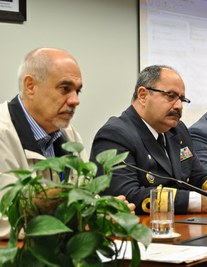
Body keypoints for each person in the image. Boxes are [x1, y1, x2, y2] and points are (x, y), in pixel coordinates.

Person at [0, 48, 134, 238]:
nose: (75, 101)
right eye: (65, 89)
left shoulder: (68, 135)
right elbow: (6, 219)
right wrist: (91, 220)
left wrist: (106, 208)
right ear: (30, 86)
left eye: (77, 91)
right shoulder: (3, 132)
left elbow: (82, 197)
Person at [90, 65, 207, 215]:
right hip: (143, 230)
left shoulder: (178, 130)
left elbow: (197, 174)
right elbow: (128, 194)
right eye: (170, 96)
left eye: (182, 99)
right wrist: (199, 202)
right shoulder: (115, 135)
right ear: (142, 95)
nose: (179, 106)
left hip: (180, 225)